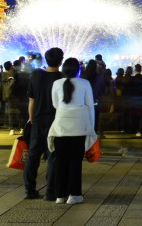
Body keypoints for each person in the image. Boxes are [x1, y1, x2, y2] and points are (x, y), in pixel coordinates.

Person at [48, 57, 96, 205]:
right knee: (75, 162)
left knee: (60, 162)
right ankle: (74, 195)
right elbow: (90, 106)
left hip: (61, 126)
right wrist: (91, 127)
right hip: (79, 126)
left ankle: (60, 195)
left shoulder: (56, 83)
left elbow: (56, 104)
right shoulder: (85, 83)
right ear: (78, 70)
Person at [24, 47, 63, 200]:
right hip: (56, 121)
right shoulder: (62, 78)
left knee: (33, 155)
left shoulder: (36, 76)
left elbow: (31, 100)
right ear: (61, 60)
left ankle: (29, 190)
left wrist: (31, 118)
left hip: (37, 120)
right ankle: (50, 192)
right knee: (53, 155)